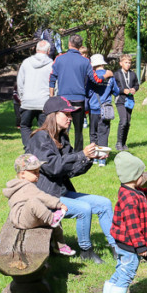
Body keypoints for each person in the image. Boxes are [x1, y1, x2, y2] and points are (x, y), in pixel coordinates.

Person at [26, 96, 114, 263]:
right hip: (45, 196)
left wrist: (89, 158)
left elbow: (70, 171)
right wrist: (81, 154)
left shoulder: (62, 138)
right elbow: (53, 167)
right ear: (53, 115)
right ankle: (86, 251)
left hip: (60, 191)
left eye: (71, 114)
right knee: (84, 209)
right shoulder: (39, 138)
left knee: (104, 203)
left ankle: (117, 247)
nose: (70, 118)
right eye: (66, 114)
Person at [102, 152, 147, 293]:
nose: (143, 176)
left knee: (120, 270)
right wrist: (140, 247)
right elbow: (133, 226)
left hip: (122, 242)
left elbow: (146, 196)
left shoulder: (130, 191)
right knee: (128, 272)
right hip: (130, 245)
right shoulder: (130, 200)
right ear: (133, 175)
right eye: (141, 174)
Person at [49, 35, 102, 150]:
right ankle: (78, 154)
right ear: (80, 46)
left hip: (63, 100)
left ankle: (62, 150)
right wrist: (105, 75)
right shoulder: (85, 61)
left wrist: (52, 97)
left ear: (69, 43)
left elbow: (52, 78)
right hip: (79, 100)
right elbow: (95, 79)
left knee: (61, 128)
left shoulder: (59, 58)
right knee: (78, 130)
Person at [2, 153, 67, 231]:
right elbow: (42, 196)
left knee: (54, 221)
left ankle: (60, 242)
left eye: (38, 171)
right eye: (34, 172)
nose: (38, 174)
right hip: (22, 219)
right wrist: (59, 204)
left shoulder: (17, 186)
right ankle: (52, 219)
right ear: (22, 174)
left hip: (27, 218)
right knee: (34, 203)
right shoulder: (26, 186)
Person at [17, 40, 54, 147]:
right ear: (48, 51)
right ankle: (42, 148)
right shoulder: (51, 64)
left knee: (25, 126)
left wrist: (22, 97)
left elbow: (20, 82)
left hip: (28, 100)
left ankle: (28, 148)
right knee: (44, 128)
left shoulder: (26, 62)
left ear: (36, 49)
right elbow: (55, 83)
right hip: (44, 101)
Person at [86, 54, 119, 165]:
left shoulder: (92, 77)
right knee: (103, 133)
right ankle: (102, 159)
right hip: (106, 109)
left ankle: (94, 157)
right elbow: (116, 91)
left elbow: (88, 92)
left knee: (93, 133)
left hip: (94, 108)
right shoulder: (110, 77)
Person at [113, 55, 139, 151]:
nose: (128, 65)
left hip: (129, 101)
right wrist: (122, 90)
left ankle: (124, 143)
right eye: (126, 62)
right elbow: (113, 88)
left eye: (129, 63)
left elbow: (137, 84)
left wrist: (134, 89)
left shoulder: (132, 74)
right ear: (121, 63)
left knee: (127, 122)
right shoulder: (116, 74)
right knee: (123, 121)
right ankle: (118, 143)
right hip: (120, 100)